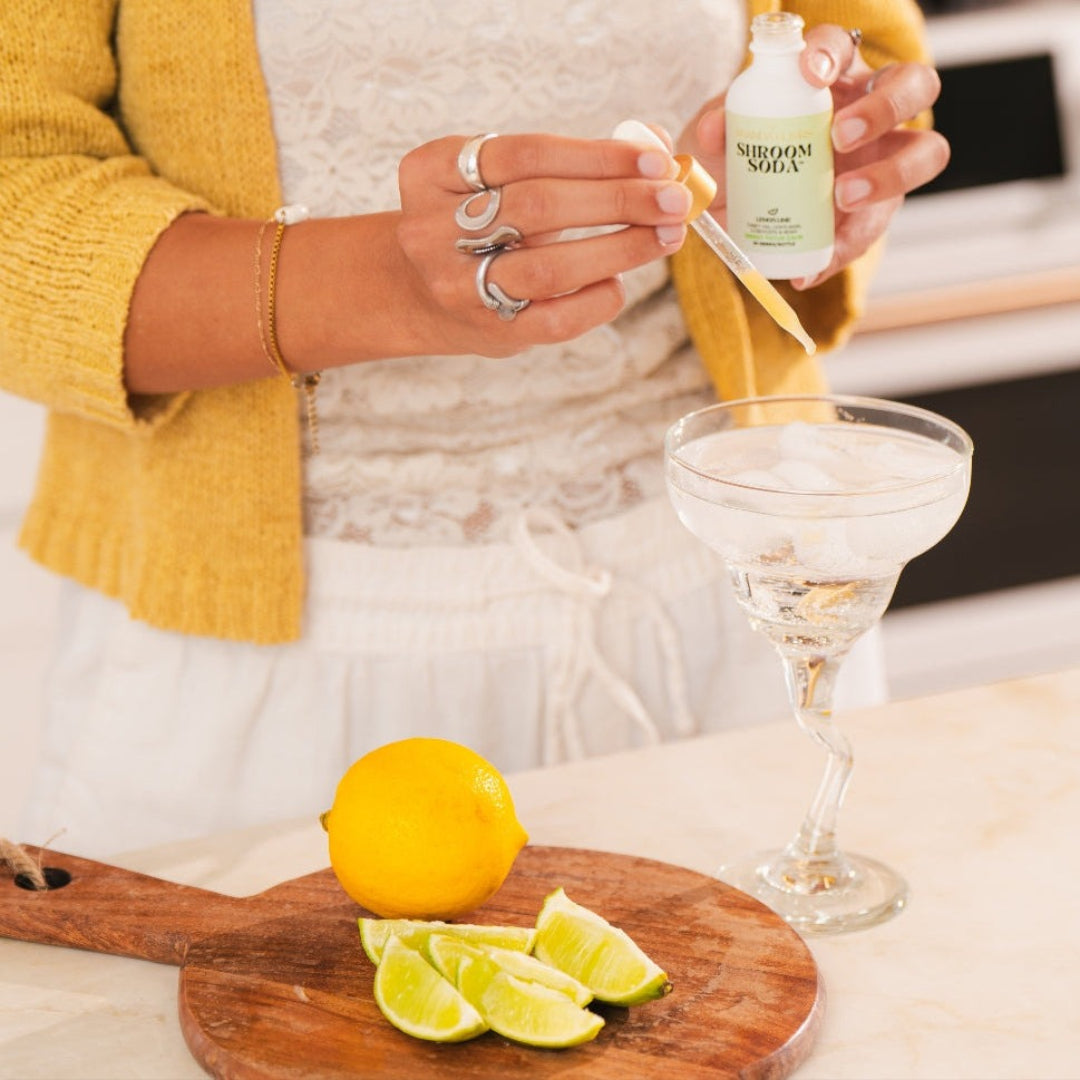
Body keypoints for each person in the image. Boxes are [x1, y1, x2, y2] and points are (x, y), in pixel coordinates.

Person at [0, 0, 948, 857]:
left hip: (733, 595)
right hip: (257, 667)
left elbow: (852, 41)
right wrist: (383, 283)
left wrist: (837, 149)